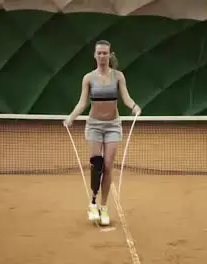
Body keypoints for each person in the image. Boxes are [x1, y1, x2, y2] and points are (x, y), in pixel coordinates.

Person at [63, 40, 141, 226]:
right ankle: (93, 203)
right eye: (99, 53)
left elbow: (126, 98)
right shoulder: (88, 78)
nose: (102, 56)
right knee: (96, 165)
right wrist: (71, 118)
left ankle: (104, 207)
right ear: (95, 55)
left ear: (109, 54)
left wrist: (135, 107)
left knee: (108, 167)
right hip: (94, 126)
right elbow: (82, 103)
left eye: (105, 53)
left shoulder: (118, 76)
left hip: (113, 125)